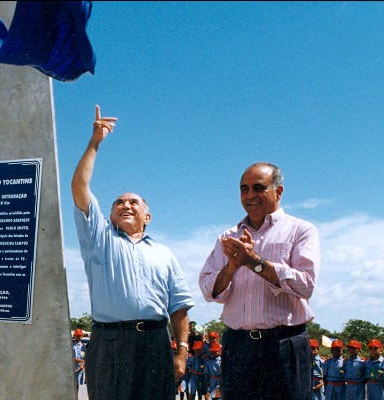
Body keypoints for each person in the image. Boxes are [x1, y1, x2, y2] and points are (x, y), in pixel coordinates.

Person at [71, 105, 194, 399]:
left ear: (147, 217)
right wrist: (95, 142)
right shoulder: (99, 238)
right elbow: (80, 187)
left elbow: (178, 307)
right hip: (110, 341)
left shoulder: (164, 253)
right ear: (111, 215)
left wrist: (182, 352)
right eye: (119, 202)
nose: (125, 205)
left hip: (155, 342)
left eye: (133, 203)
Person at [198, 161, 320, 400]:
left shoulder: (301, 230)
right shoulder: (227, 238)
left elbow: (306, 284)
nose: (250, 195)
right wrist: (232, 267)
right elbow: (208, 290)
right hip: (239, 347)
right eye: (244, 189)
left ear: (279, 191)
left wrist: (254, 262)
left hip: (284, 345)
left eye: (258, 187)